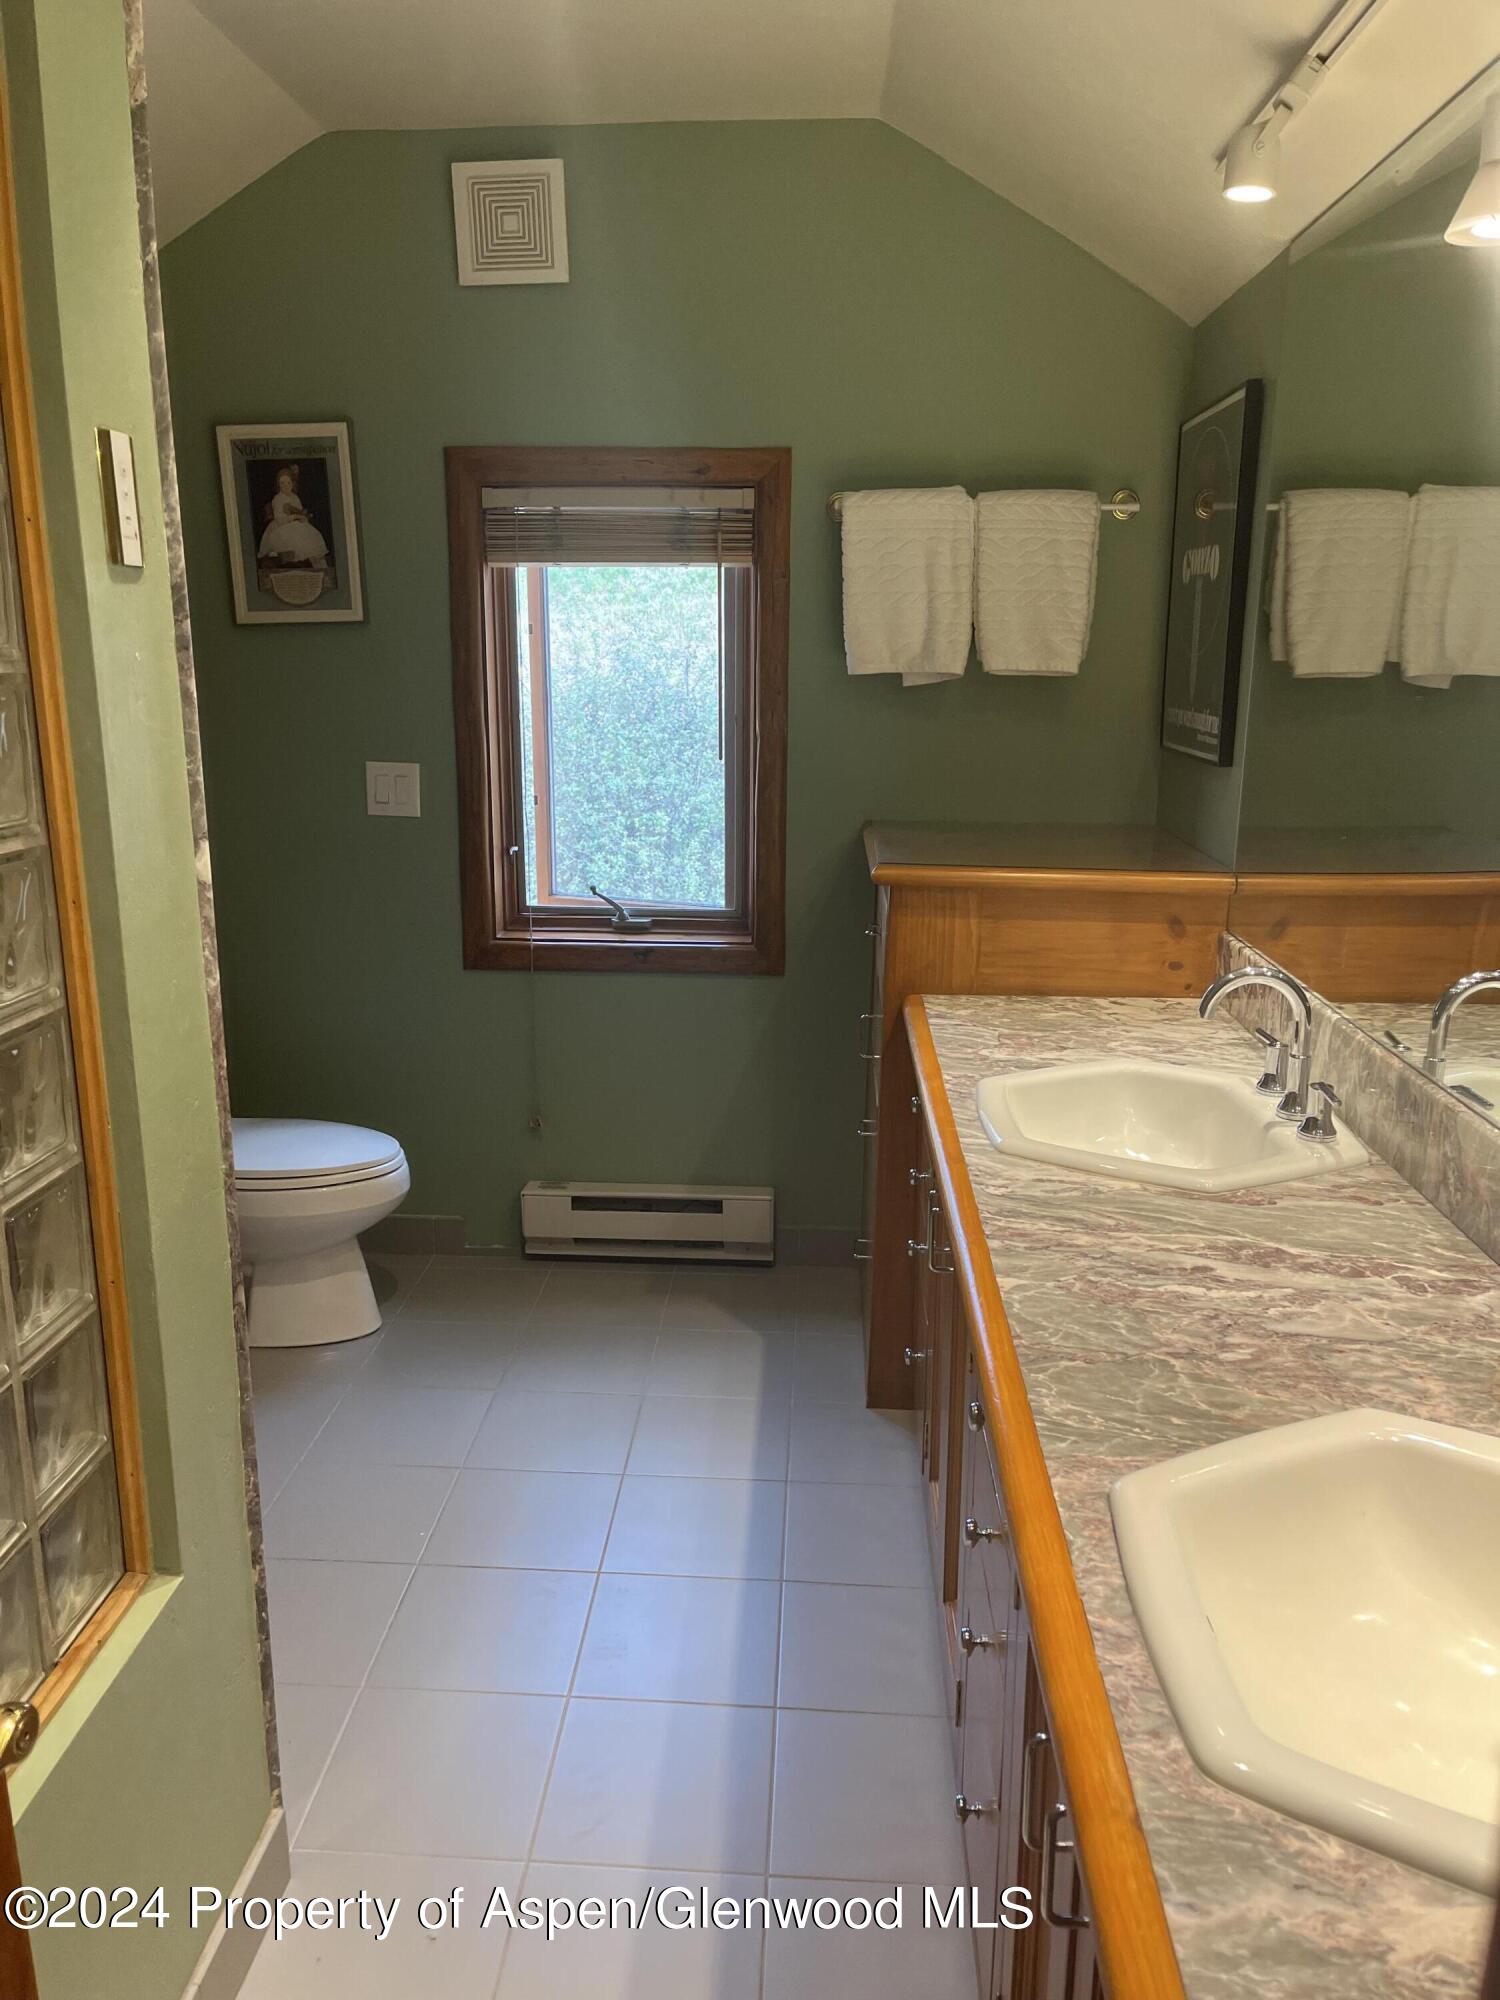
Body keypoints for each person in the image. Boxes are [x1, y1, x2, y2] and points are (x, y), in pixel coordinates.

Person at [258, 464, 329, 568]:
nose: (286, 485)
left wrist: (303, 518)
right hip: (281, 527)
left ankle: (320, 566)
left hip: (297, 525)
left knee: (310, 535)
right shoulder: (278, 499)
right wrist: (294, 517)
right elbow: (279, 519)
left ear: (292, 484)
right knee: (293, 537)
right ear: (278, 485)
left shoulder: (295, 497)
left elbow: (300, 512)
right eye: (282, 483)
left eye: (288, 482)